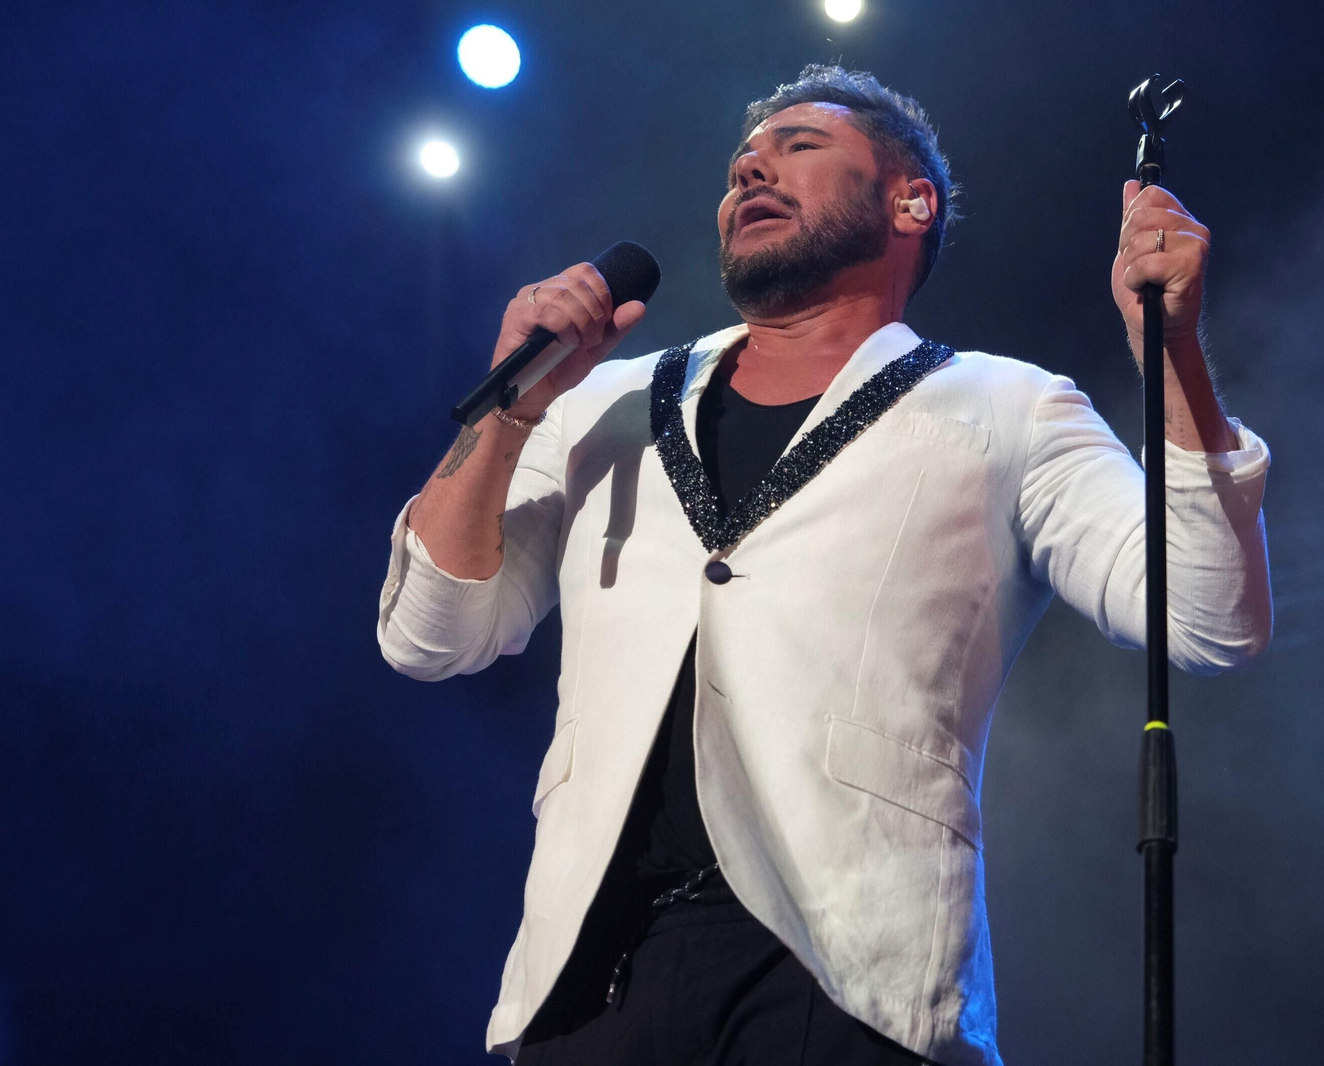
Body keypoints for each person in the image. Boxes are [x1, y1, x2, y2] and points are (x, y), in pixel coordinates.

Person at [377, 65, 1272, 1066]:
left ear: (909, 200)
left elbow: (1206, 616)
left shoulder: (1008, 408)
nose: (752, 166)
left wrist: (1173, 351)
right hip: (595, 979)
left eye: (800, 146)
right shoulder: (597, 404)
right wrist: (513, 404)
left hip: (852, 981)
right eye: (739, 163)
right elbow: (430, 633)